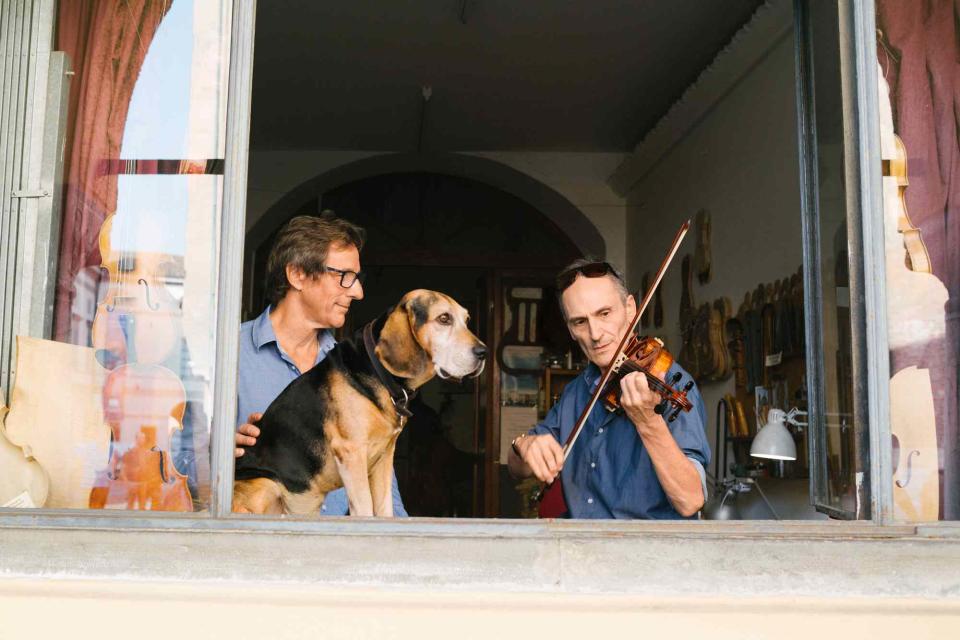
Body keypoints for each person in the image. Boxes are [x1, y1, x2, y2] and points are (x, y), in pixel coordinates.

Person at [234, 213, 407, 516]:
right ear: (298, 274)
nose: (357, 291)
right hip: (259, 552)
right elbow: (179, 469)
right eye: (345, 276)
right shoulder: (227, 354)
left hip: (341, 555)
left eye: (357, 278)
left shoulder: (357, 371)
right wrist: (219, 456)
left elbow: (384, 489)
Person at [507, 259, 709, 519]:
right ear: (570, 329)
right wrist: (524, 444)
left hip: (647, 554)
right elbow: (516, 469)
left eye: (604, 314)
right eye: (580, 322)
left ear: (630, 309)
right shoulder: (575, 393)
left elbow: (691, 500)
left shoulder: (674, 383)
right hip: (584, 551)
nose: (595, 334)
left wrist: (648, 422)